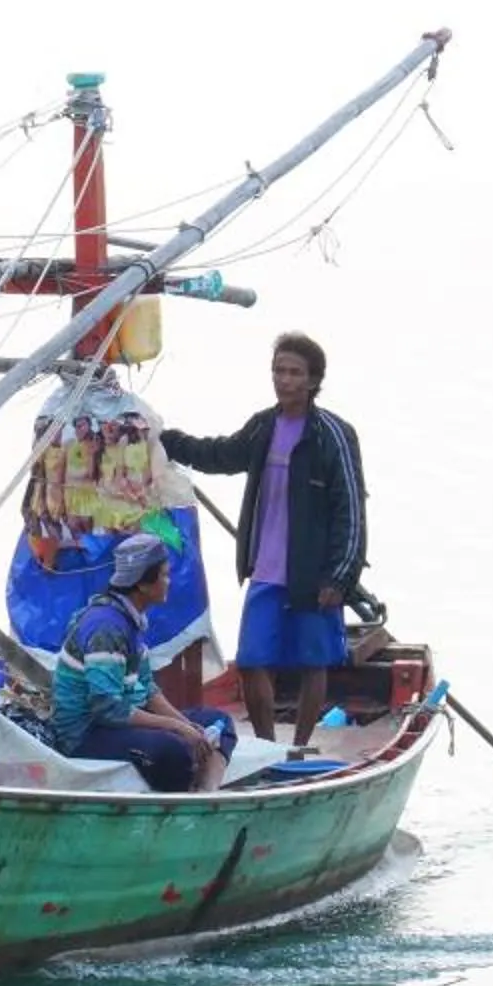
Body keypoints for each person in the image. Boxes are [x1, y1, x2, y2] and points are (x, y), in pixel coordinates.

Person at [161, 332, 369, 751]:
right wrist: (167, 441)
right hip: (265, 568)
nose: (285, 380)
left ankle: (303, 744)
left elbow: (352, 511)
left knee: (315, 661)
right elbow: (220, 455)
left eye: (295, 373)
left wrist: (340, 576)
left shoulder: (333, 435)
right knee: (254, 660)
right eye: (279, 371)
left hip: (314, 573)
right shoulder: (264, 426)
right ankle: (269, 745)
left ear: (313, 381)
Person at [49, 531, 227, 791]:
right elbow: (107, 709)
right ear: (142, 584)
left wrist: (186, 725)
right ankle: (180, 805)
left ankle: (206, 793)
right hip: (85, 734)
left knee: (218, 722)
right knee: (174, 751)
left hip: (115, 721)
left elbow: (147, 689)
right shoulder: (106, 629)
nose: (169, 581)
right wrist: (176, 728)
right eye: (164, 575)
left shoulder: (131, 620)